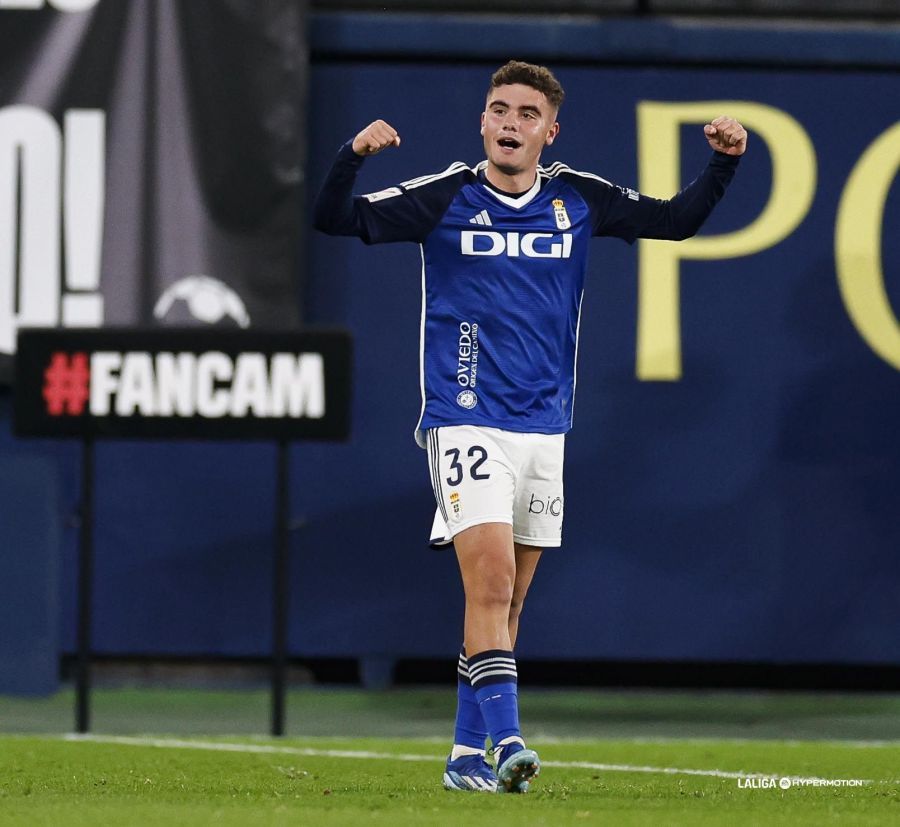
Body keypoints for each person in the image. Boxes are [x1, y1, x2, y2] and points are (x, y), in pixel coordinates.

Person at [314, 60, 746, 794]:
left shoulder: (577, 199)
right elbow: (335, 217)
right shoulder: (443, 196)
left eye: (525, 112)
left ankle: (461, 756)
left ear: (550, 130)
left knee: (506, 604)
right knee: (491, 580)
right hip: (463, 416)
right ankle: (509, 740)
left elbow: (675, 221)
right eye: (498, 109)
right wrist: (350, 157)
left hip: (546, 427)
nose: (510, 122)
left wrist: (724, 163)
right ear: (482, 122)